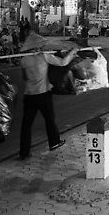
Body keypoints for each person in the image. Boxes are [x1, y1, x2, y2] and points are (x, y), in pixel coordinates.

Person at [18, 32, 79, 160]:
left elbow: (24, 77)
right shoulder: (44, 57)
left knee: (26, 125)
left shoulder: (23, 59)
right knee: (49, 119)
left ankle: (24, 152)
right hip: (43, 94)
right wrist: (72, 52)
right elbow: (62, 63)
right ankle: (54, 142)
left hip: (29, 95)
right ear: (37, 46)